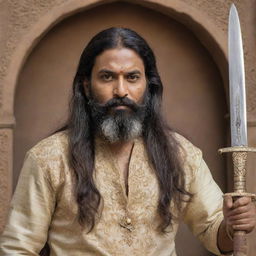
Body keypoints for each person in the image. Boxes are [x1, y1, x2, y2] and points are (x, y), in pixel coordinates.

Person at [0, 27, 255, 256]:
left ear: (148, 85)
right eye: (107, 77)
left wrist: (231, 226)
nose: (121, 91)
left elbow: (214, 230)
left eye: (132, 77)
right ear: (87, 86)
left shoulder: (180, 154)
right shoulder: (48, 158)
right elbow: (17, 248)